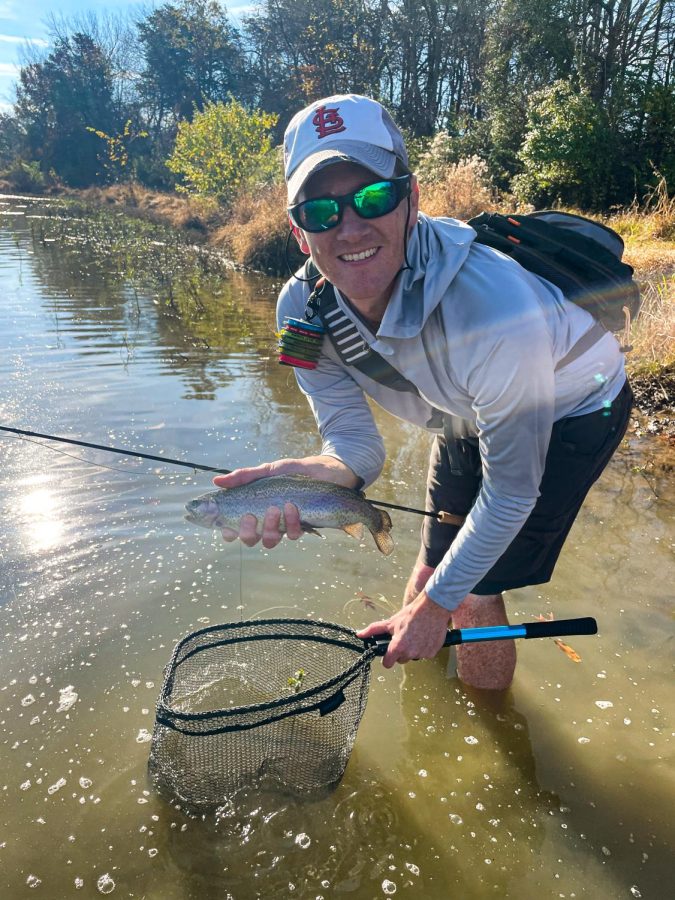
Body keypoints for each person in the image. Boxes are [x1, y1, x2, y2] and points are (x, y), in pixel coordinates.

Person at [213, 93, 632, 690]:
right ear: (298, 231)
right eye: (321, 212)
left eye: (374, 197)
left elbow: (511, 494)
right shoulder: (298, 313)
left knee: (471, 594)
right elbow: (355, 451)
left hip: (576, 406)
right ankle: (427, 685)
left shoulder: (492, 307)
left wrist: (436, 607)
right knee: (435, 561)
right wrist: (308, 477)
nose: (351, 227)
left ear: (412, 200)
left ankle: (489, 743)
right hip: (462, 410)